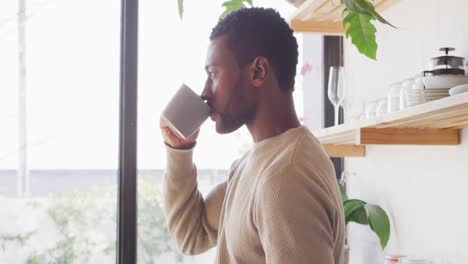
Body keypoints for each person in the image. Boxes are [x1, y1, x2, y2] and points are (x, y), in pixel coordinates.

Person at [160, 7, 345, 264]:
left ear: (258, 71)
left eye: (213, 74)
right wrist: (180, 150)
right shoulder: (255, 163)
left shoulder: (286, 176)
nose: (204, 92)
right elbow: (193, 234)